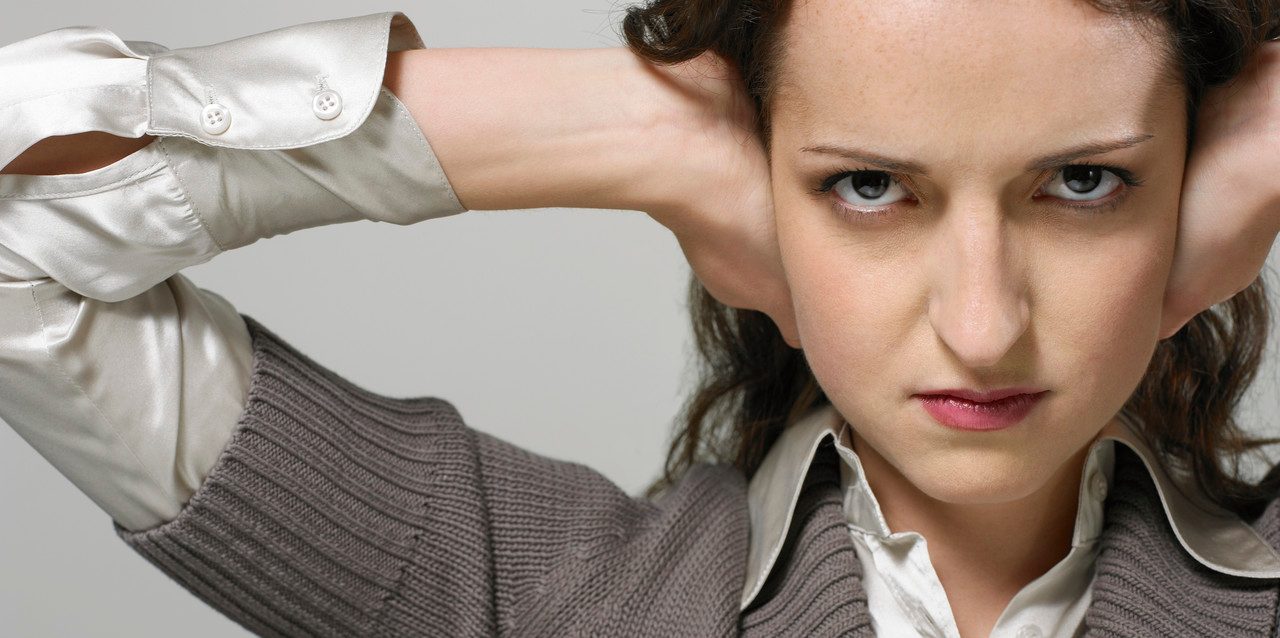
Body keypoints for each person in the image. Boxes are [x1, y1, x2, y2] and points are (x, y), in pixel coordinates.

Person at [3, 2, 1280, 636]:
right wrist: (642, 131)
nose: (982, 322)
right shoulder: (549, 598)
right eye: (868, 184)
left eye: (1079, 181)